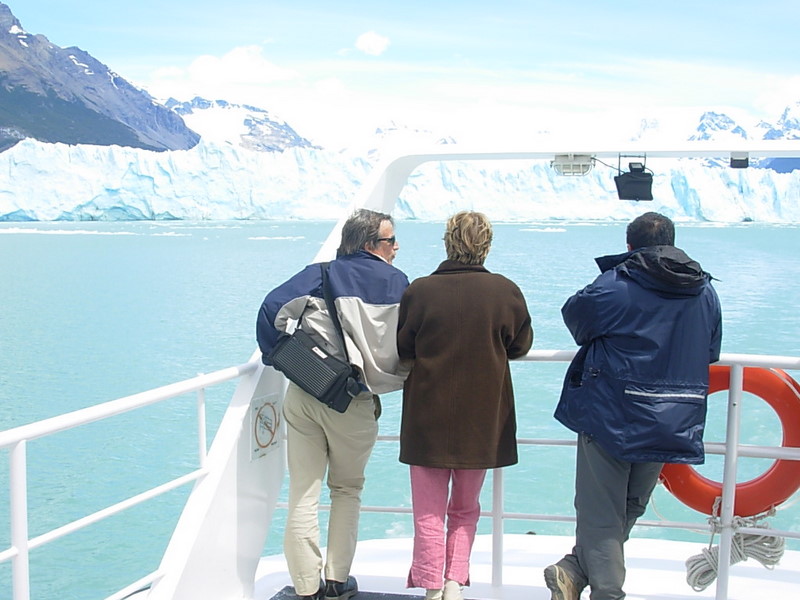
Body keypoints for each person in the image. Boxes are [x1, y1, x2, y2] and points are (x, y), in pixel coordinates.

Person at [544, 212, 722, 600]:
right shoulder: (704, 291)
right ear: (674, 243)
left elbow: (577, 319)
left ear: (629, 247)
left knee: (601, 511)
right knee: (630, 504)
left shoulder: (617, 285)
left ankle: (602, 589)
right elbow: (710, 350)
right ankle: (575, 570)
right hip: (672, 417)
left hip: (612, 413)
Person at [256, 209, 409, 600]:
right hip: (355, 402)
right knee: (346, 489)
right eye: (391, 241)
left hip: (307, 392)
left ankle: (306, 588)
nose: (396, 248)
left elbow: (271, 309)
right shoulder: (399, 284)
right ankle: (337, 581)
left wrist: (282, 357)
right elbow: (406, 345)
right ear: (371, 245)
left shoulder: (320, 274)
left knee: (303, 493)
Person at [397, 211, 534, 600]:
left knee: (428, 509)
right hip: (482, 418)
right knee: (465, 507)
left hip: (427, 416)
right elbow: (520, 345)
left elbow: (404, 346)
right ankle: (455, 580)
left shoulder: (420, 291)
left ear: (447, 242)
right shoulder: (505, 291)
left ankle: (430, 583)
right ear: (486, 245)